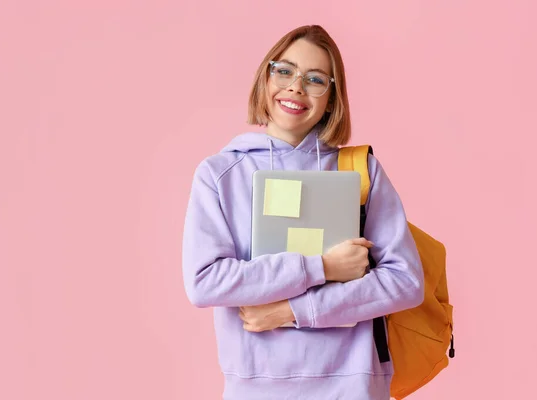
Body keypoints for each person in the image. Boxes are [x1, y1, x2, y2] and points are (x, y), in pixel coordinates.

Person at [181, 24, 424, 400]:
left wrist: (293, 310)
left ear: (332, 97)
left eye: (315, 79)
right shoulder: (219, 175)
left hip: (352, 385)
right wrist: (322, 268)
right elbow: (205, 281)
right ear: (266, 77)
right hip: (256, 388)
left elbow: (405, 282)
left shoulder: (361, 171)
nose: (296, 86)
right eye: (285, 70)